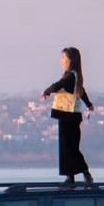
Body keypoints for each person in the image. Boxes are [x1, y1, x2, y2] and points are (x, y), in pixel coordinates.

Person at [43, 46, 95, 187]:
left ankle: (85, 173)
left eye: (64, 58)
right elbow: (82, 92)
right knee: (67, 146)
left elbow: (58, 85)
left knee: (69, 146)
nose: (62, 61)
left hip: (68, 115)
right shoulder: (76, 76)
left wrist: (47, 91)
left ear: (70, 60)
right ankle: (70, 176)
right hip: (70, 116)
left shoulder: (70, 76)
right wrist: (89, 104)